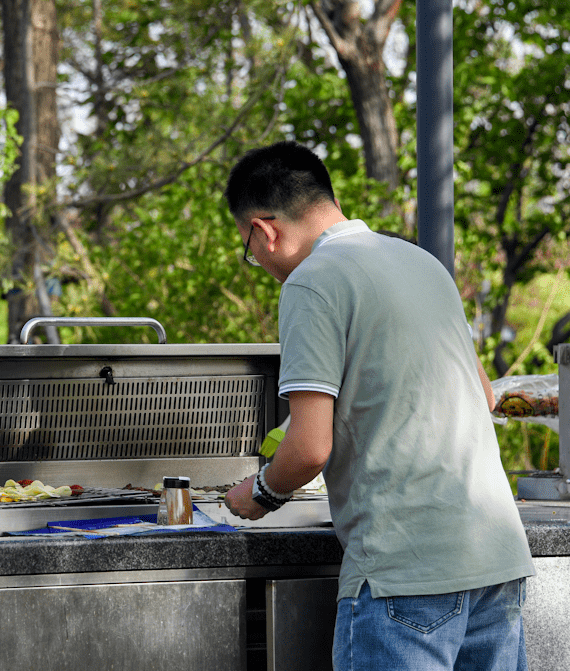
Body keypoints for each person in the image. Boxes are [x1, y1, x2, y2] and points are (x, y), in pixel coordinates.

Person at [222, 140, 534, 670]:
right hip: (495, 561)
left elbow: (309, 448)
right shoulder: (420, 262)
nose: (259, 261)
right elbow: (482, 396)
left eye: (249, 249)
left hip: (405, 571)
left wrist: (258, 494)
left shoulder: (312, 283)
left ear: (264, 230)